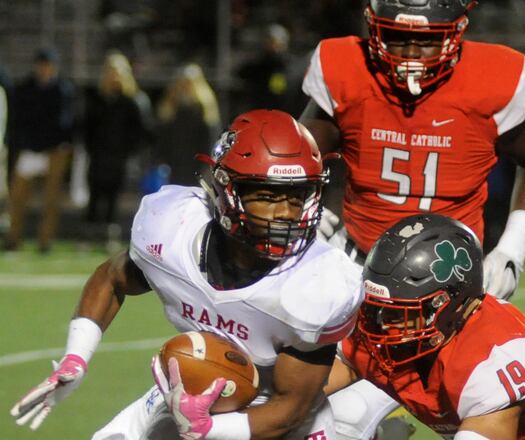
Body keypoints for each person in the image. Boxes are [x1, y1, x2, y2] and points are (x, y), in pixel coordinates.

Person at [10, 110, 363, 440]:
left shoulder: (317, 284)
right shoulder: (173, 231)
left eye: (298, 196)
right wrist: (77, 357)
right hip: (196, 389)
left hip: (278, 418)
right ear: (227, 190)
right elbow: (113, 277)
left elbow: (291, 408)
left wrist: (209, 429)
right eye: (269, 196)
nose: (287, 213)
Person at [299, 0, 525, 301]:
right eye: (396, 36)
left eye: (427, 39)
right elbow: (299, 153)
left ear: (457, 31)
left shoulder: (494, 78)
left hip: (451, 272)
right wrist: (302, 212)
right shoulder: (348, 68)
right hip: (357, 261)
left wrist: (512, 248)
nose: (411, 53)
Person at [327, 213, 525, 439]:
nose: (383, 325)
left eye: (400, 313)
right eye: (380, 310)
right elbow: (296, 396)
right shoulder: (387, 332)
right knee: (341, 416)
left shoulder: (496, 353)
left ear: (454, 306)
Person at [4, 48, 75, 252]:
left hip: (53, 151)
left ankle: (45, 241)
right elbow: (18, 120)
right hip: (29, 149)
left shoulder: (63, 89)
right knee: (17, 198)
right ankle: (13, 239)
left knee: (51, 200)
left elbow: (65, 122)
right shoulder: (26, 88)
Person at [83, 51, 149, 225]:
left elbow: (140, 130)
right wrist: (92, 148)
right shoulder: (96, 99)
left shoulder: (133, 102)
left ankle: (109, 231)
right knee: (95, 194)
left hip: (119, 158)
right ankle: (90, 231)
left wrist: (128, 151)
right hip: (98, 156)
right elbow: (87, 127)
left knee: (114, 196)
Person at [156, 63, 220, 186]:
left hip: (195, 163)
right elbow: (163, 136)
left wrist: (206, 162)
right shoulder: (171, 106)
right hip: (174, 162)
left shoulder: (204, 108)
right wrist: (161, 158)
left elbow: (209, 138)